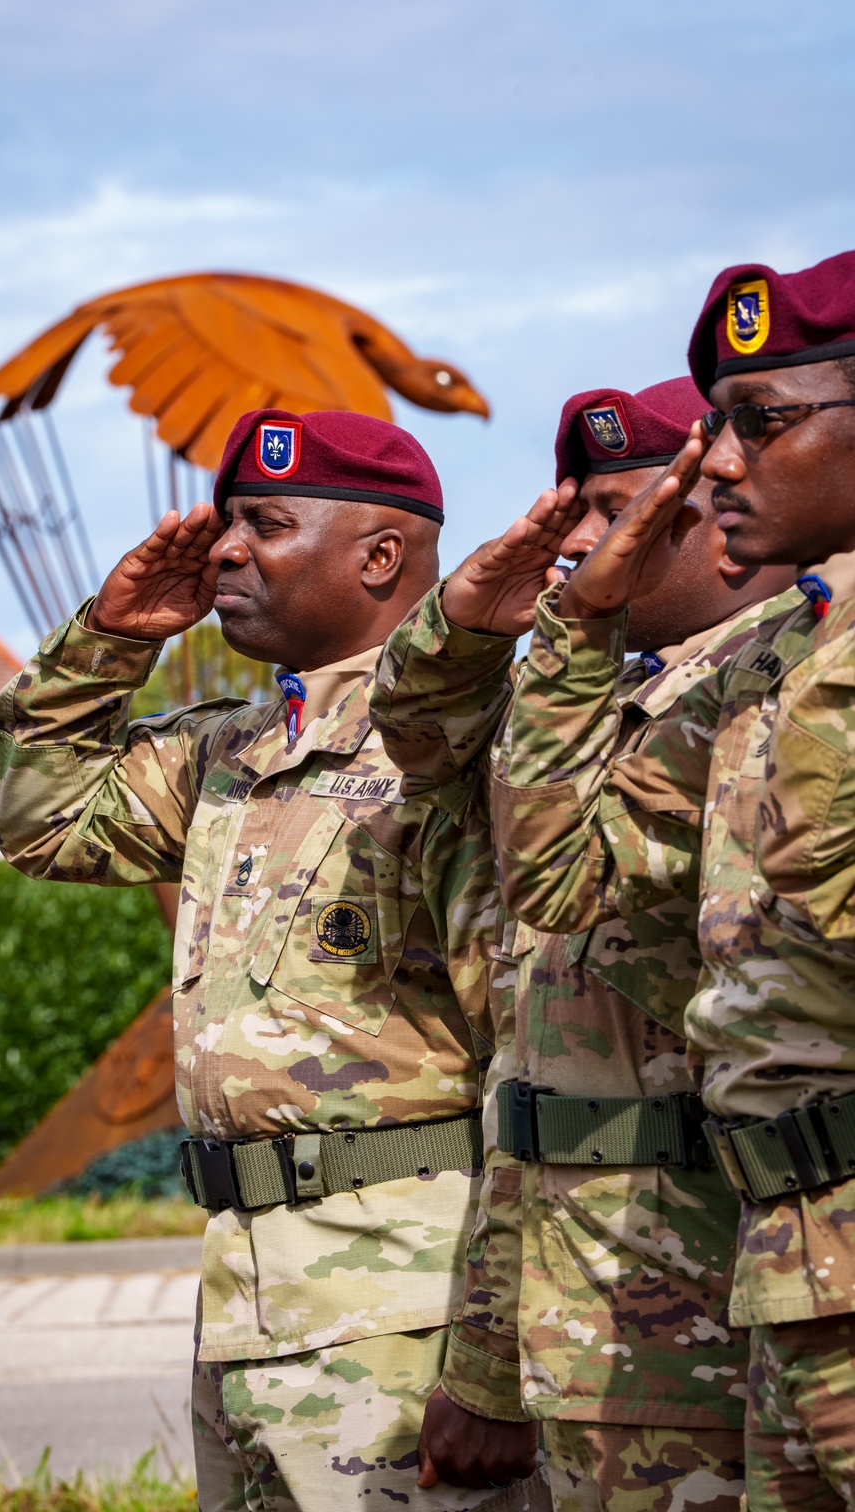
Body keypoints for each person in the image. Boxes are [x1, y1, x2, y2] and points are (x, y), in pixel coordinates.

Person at [0, 407, 547, 1512]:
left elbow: (530, 1068)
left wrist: (492, 1365)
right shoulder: (233, 750)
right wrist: (111, 634)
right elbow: (38, 817)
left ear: (381, 557)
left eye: (265, 524)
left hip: (404, 1311)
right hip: (242, 1289)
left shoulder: (464, 750)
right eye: (229, 522)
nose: (225, 549)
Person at [371, 377, 798, 1512]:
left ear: (722, 517)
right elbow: (419, 735)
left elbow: (571, 887)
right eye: (577, 518)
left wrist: (569, 635)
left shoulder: (766, 689)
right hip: (585, 1299)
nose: (582, 550)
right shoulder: (597, 704)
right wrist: (477, 609)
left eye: (622, 511)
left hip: (709, 1291)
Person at [474, 250, 855, 1512]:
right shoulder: (766, 662)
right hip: (787, 1259)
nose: (727, 460)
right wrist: (578, 629)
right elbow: (563, 876)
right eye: (720, 425)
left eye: (763, 421)